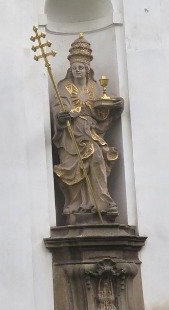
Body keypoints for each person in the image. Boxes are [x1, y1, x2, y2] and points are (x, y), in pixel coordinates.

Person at [51, 34, 123, 224]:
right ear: (70, 68)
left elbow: (101, 113)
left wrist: (114, 106)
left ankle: (100, 202)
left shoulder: (95, 87)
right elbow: (57, 107)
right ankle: (76, 204)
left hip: (91, 132)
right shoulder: (63, 87)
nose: (77, 70)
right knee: (74, 168)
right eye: (74, 67)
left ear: (87, 68)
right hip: (70, 136)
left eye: (81, 67)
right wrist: (61, 116)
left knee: (97, 154)